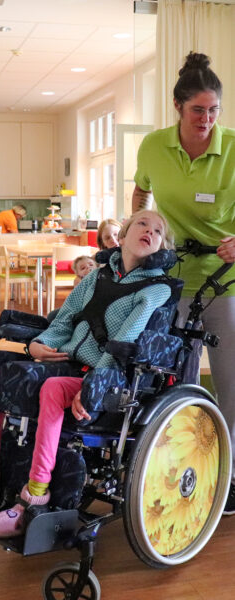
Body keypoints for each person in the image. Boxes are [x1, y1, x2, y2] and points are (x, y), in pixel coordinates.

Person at [0, 210, 174, 537]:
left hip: (109, 376)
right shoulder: (96, 276)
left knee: (52, 389)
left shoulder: (156, 289)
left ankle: (35, 494)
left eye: (159, 230)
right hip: (70, 362)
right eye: (143, 224)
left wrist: (93, 384)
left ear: (162, 246)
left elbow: (124, 342)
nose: (150, 230)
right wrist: (38, 345)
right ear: (123, 236)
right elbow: (62, 321)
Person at [132, 52, 235, 514]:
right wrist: (137, 224)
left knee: (231, 383)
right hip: (171, 279)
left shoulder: (232, 147)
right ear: (178, 107)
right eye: (198, 110)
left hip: (225, 282)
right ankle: (179, 468)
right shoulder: (154, 147)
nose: (207, 120)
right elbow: (142, 189)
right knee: (178, 377)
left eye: (214, 110)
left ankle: (230, 474)